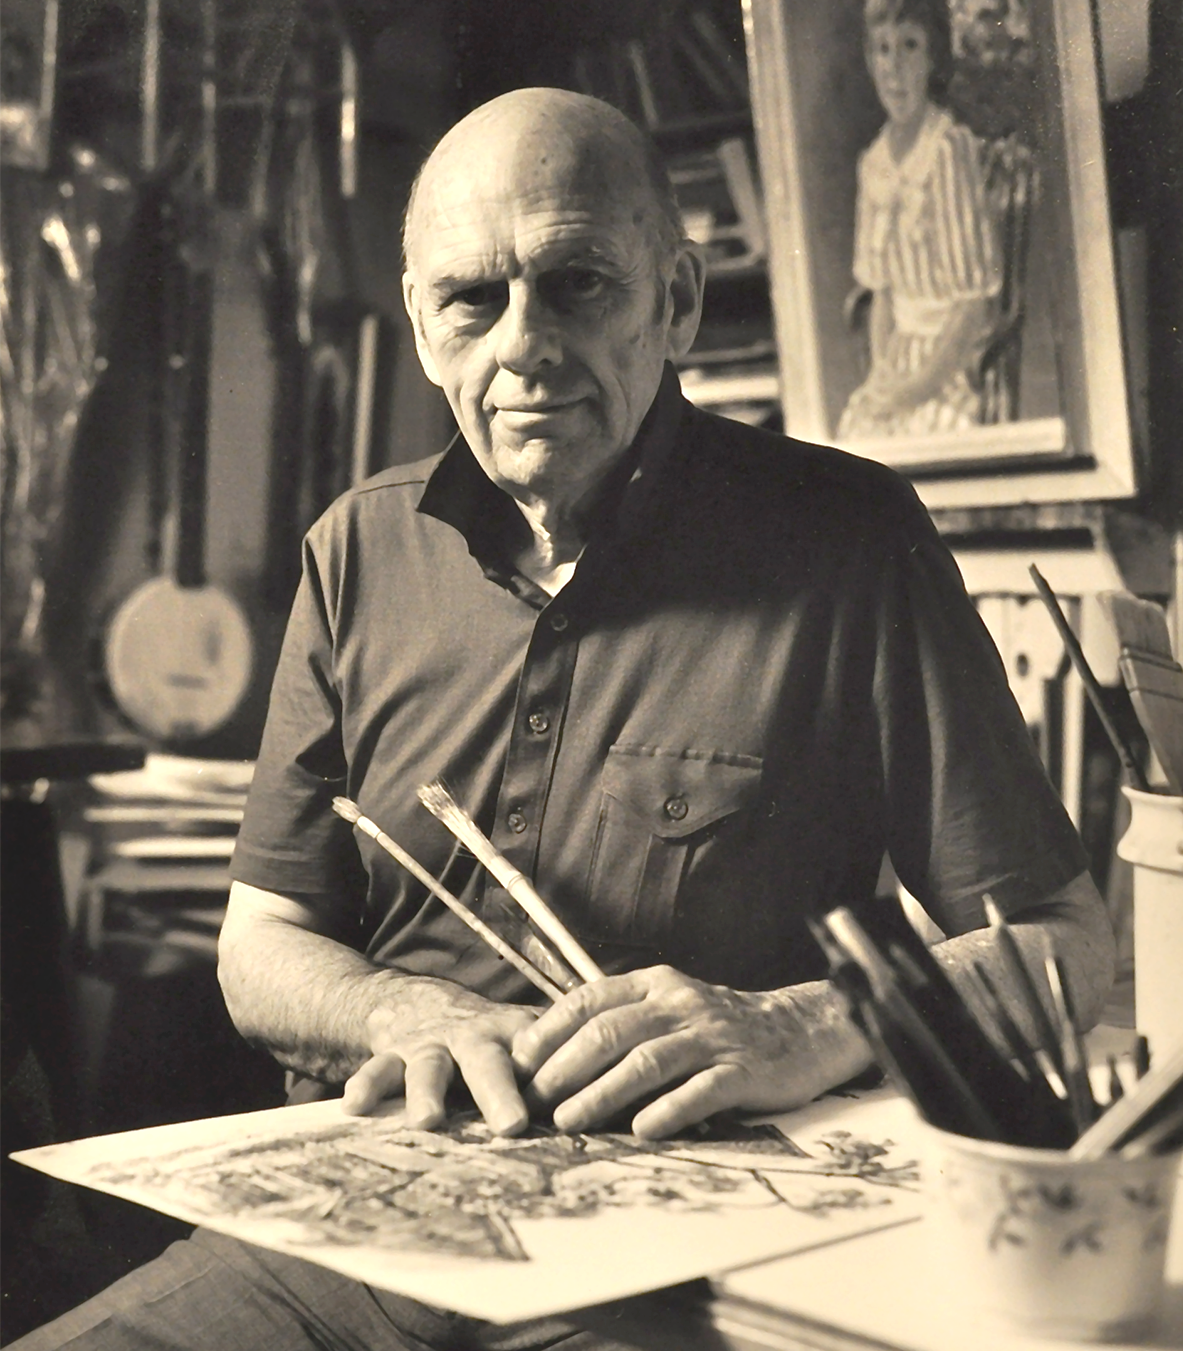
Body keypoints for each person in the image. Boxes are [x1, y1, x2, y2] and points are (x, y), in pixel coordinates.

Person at [13, 86, 1113, 1351]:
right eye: (470, 299)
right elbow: (261, 943)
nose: (522, 344)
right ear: (422, 326)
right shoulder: (356, 551)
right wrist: (398, 1011)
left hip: (676, 1239)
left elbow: (1062, 942)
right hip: (356, 1215)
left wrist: (797, 1025)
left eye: (578, 283)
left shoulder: (849, 540)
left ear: (676, 302)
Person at [838, 0, 1003, 438]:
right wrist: (884, 374)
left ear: (932, 59)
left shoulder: (947, 151)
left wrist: (916, 389)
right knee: (855, 442)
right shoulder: (874, 164)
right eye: (883, 49)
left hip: (952, 363)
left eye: (910, 46)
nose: (894, 68)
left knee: (931, 438)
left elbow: (972, 307)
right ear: (870, 62)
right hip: (900, 358)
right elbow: (882, 295)